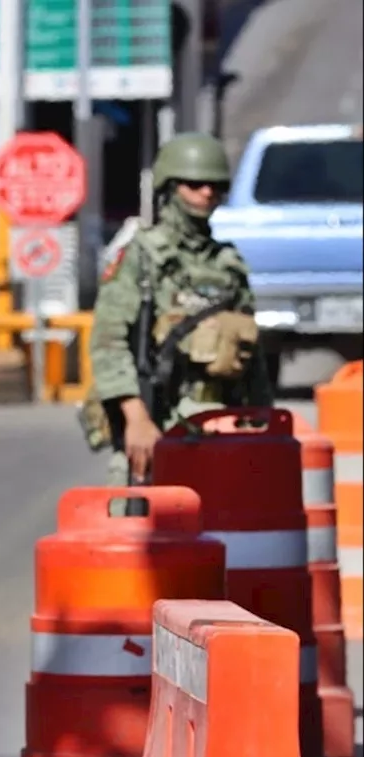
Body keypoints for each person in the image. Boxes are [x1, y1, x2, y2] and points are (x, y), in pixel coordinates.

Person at [87, 132, 273, 496]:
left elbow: (254, 358)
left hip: (224, 429)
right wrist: (136, 420)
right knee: (140, 534)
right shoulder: (142, 257)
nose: (207, 193)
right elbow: (108, 343)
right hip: (157, 425)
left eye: (216, 186)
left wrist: (263, 424)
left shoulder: (229, 265)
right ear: (169, 187)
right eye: (195, 184)